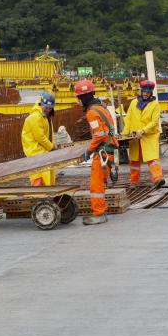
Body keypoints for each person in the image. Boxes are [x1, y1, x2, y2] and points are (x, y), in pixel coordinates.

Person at [75, 79, 118, 226]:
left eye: (79, 98)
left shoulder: (92, 113)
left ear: (84, 97)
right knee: (101, 182)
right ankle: (101, 211)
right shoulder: (102, 108)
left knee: (96, 184)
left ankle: (98, 213)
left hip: (103, 152)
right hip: (109, 150)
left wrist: (89, 150)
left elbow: (99, 135)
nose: (79, 101)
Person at [123, 80, 164, 186]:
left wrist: (143, 130)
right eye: (144, 91)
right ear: (141, 91)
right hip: (135, 136)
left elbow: (154, 122)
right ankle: (133, 180)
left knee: (153, 158)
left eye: (148, 92)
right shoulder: (133, 103)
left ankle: (158, 178)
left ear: (151, 92)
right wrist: (125, 135)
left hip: (149, 136)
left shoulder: (155, 105)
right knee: (134, 160)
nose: (145, 94)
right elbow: (128, 119)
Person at [21, 92, 56, 186]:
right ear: (41, 104)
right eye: (46, 107)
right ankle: (37, 195)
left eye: (50, 108)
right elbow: (40, 137)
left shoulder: (44, 115)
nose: (48, 109)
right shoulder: (36, 117)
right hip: (35, 150)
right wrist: (51, 147)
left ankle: (46, 194)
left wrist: (53, 145)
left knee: (46, 173)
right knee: (38, 175)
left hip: (41, 149)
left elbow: (49, 133)